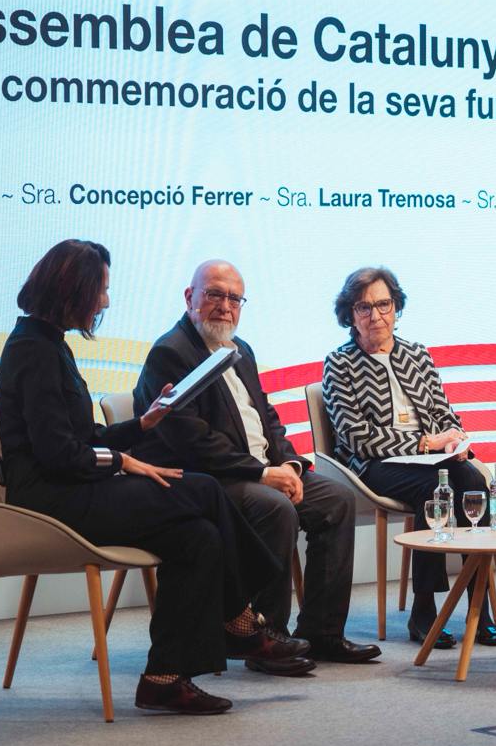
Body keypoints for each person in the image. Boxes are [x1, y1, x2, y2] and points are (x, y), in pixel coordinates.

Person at [0, 239, 306, 715]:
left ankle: (164, 678)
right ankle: (243, 620)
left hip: (72, 487)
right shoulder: (34, 351)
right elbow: (59, 455)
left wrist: (141, 427)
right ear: (73, 291)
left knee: (198, 537)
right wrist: (124, 461)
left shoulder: (47, 344)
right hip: (50, 500)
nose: (105, 302)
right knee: (201, 488)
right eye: (99, 290)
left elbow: (81, 435)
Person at [132, 260, 380, 670]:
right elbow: (189, 439)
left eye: (234, 298)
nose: (225, 306)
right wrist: (262, 473)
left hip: (260, 471)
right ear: (190, 297)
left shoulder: (239, 349)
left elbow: (266, 417)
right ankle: (267, 637)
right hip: (208, 481)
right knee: (273, 506)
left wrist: (290, 466)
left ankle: (321, 632)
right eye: (214, 294)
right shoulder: (170, 353)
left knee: (336, 498)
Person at [320, 266, 496, 649]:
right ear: (350, 314)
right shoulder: (340, 364)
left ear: (396, 306)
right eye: (364, 307)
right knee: (434, 488)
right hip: (373, 466)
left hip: (432, 458)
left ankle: (479, 606)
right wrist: (424, 444)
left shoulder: (417, 354)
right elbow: (355, 437)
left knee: (471, 480)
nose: (376, 316)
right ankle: (424, 608)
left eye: (384, 304)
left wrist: (454, 437)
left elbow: (443, 411)